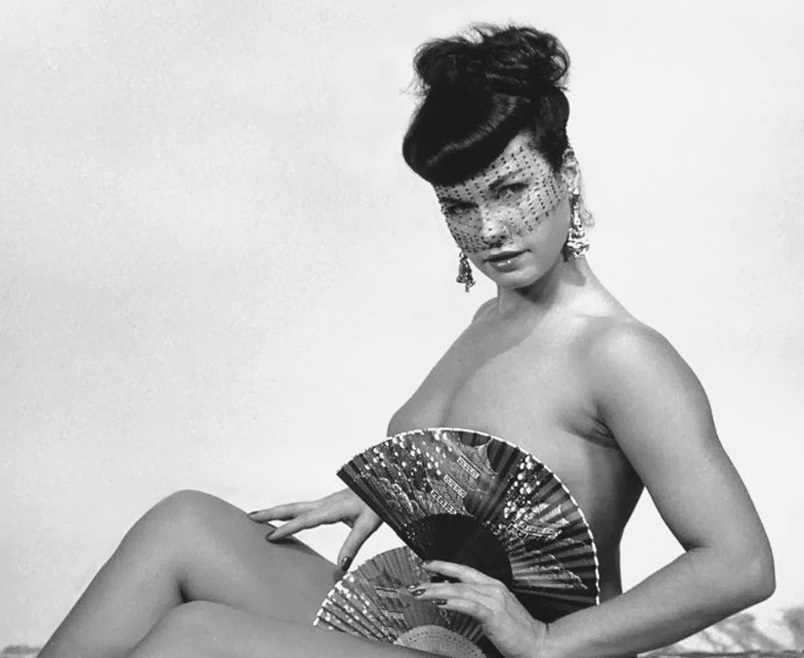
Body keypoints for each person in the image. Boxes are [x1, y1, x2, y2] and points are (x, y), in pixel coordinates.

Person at [38, 24, 774, 658]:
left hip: (518, 655)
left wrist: (545, 640)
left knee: (199, 635)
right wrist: (395, 499)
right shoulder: (490, 325)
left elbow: (740, 564)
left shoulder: (619, 353)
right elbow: (492, 477)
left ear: (567, 173)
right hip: (431, 631)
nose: (489, 229)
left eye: (511, 190)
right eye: (459, 205)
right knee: (184, 524)